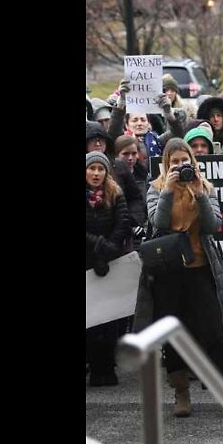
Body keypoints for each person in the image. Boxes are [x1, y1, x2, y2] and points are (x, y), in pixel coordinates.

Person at [132, 138, 223, 417]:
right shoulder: (156, 188)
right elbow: (157, 224)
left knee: (214, 329)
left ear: (193, 163)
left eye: (185, 161)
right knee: (173, 333)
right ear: (166, 165)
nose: (181, 166)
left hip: (199, 266)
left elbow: (214, 225)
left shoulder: (205, 186)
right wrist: (169, 190)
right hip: (168, 270)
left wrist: (200, 194)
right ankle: (181, 391)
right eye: (175, 162)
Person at [85, 151, 133, 386]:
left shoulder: (116, 193)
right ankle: (95, 368)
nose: (96, 173)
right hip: (88, 264)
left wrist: (110, 249)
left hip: (112, 262)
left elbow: (123, 224)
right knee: (91, 321)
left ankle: (107, 367)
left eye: (100, 169)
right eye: (92, 168)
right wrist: (98, 251)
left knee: (112, 321)